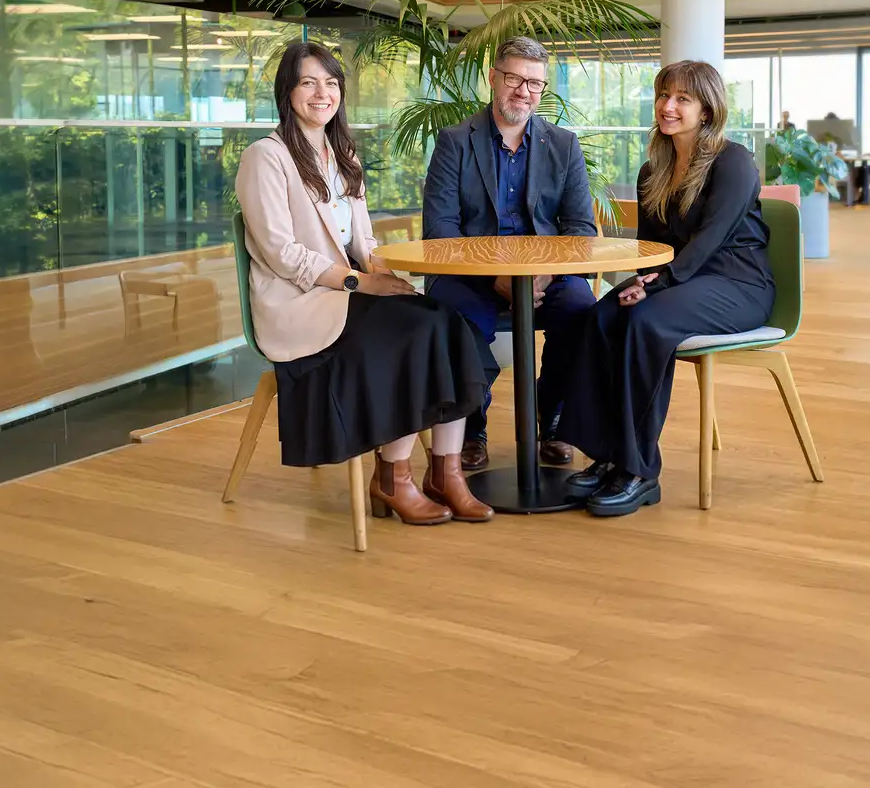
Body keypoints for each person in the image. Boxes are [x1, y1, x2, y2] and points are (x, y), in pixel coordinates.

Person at [235, 42, 492, 526]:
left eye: (331, 83)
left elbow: (362, 240)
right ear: (286, 91)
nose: (322, 93)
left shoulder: (342, 153)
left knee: (446, 322)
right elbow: (281, 254)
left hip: (345, 294)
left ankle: (447, 472)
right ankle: (394, 478)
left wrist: (385, 274)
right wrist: (359, 283)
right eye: (309, 82)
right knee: (411, 335)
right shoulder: (264, 158)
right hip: (301, 305)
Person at [556, 60, 776, 517]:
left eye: (682, 99)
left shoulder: (733, 161)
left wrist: (658, 288)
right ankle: (608, 453)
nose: (667, 106)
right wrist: (638, 281)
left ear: (707, 111)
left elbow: (710, 238)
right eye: (663, 95)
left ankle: (640, 471)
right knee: (599, 316)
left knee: (646, 322)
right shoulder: (652, 170)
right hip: (681, 281)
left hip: (738, 284)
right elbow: (654, 248)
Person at [423, 36, 598, 472]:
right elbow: (440, 229)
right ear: (493, 78)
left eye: (535, 84)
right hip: (469, 276)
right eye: (514, 79)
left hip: (546, 276)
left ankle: (552, 417)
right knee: (453, 317)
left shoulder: (564, 145)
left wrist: (544, 274)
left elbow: (580, 228)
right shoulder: (454, 141)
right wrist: (492, 277)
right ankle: (471, 424)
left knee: (582, 309)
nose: (524, 91)